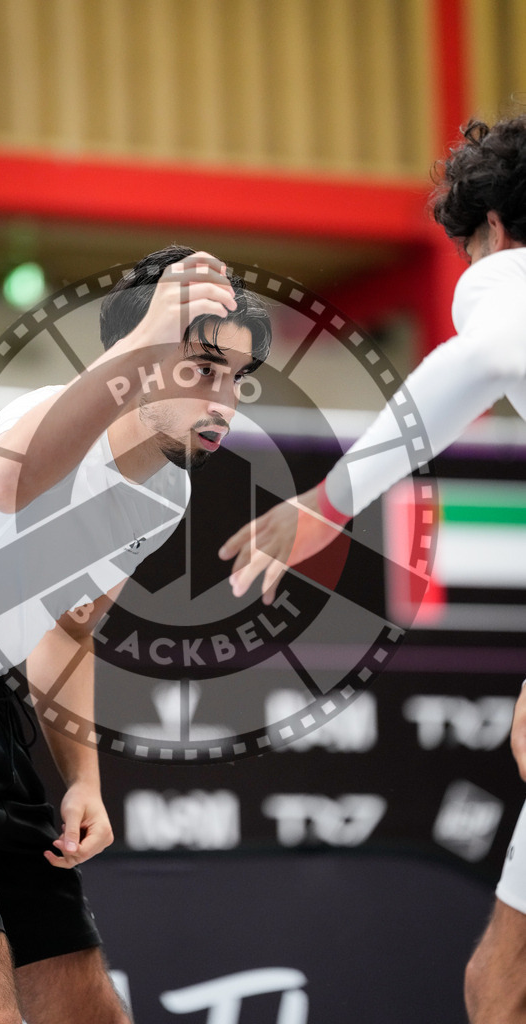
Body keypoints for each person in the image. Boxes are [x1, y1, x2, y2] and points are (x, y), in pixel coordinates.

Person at [0, 244, 272, 1024]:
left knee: (87, 1011)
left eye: (238, 380)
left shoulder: (166, 491)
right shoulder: (36, 416)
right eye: (202, 368)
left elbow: (71, 625)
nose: (225, 402)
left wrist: (84, 779)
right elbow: (24, 481)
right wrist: (152, 328)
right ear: (138, 360)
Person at [218, 114, 526, 1024]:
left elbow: (481, 353)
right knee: (498, 979)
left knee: (498, 983)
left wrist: (324, 504)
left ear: (495, 231)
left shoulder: (502, 289)